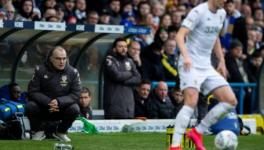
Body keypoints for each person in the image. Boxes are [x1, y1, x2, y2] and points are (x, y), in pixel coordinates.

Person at [170, 1, 238, 150]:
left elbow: (215, 38)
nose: (225, 1)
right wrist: (186, 56)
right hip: (190, 63)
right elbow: (180, 36)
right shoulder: (198, 11)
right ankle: (175, 146)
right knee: (191, 101)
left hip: (206, 65)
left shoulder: (222, 13)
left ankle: (197, 131)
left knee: (230, 100)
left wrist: (221, 60)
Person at [26, 46, 81, 142]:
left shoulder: (73, 72)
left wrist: (59, 102)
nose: (62, 61)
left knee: (75, 108)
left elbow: (76, 94)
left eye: (64, 58)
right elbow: (32, 91)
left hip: (62, 107)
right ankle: (38, 132)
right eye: (58, 58)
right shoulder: (40, 70)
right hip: (43, 107)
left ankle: (60, 132)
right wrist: (49, 102)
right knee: (30, 106)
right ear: (51, 59)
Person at [103, 38, 141, 119]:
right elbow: (117, 76)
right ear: (114, 48)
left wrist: (123, 81)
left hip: (128, 105)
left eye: (125, 47)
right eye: (120, 47)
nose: (124, 49)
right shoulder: (109, 60)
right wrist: (130, 73)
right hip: (114, 104)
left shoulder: (129, 61)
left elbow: (138, 78)